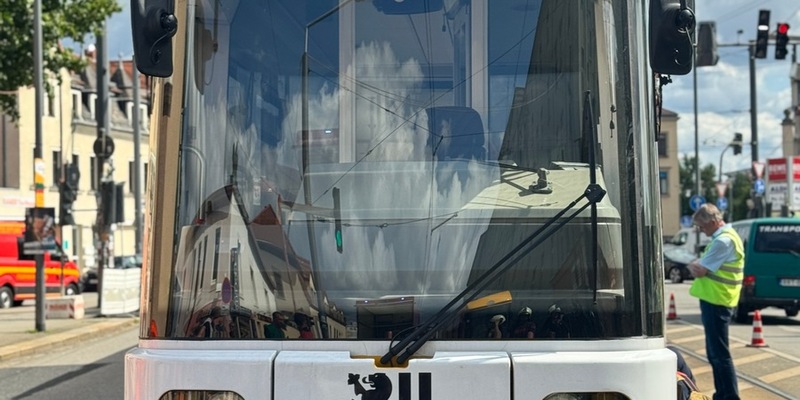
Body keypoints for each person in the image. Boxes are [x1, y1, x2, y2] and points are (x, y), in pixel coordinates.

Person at [686, 203, 744, 400]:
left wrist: (696, 264)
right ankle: (724, 394)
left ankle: (728, 396)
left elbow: (701, 269)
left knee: (719, 354)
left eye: (701, 226)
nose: (701, 231)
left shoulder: (723, 241)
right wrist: (698, 265)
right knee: (716, 353)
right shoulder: (725, 237)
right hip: (718, 299)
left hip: (717, 301)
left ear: (712, 222)